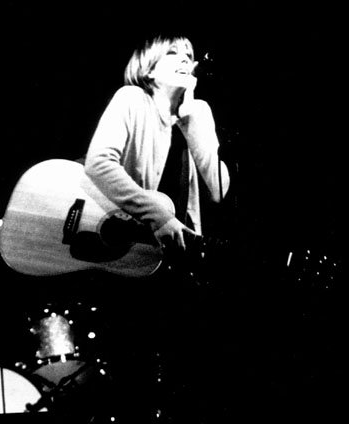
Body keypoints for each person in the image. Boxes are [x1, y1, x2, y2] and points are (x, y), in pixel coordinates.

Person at [83, 33, 232, 423]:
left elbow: (218, 190)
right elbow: (99, 163)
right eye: (173, 52)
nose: (185, 59)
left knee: (187, 380)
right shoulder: (131, 100)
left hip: (179, 263)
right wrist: (158, 214)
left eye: (189, 54)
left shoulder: (197, 114)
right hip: (130, 261)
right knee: (135, 383)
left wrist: (195, 123)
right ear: (148, 67)